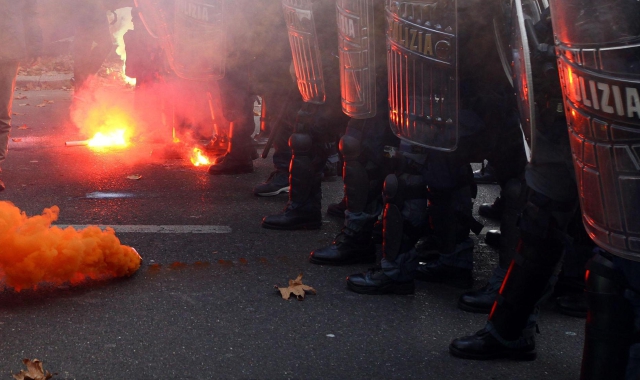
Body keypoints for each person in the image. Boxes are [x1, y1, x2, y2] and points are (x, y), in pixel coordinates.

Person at [260, 0, 349, 229]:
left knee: (312, 128)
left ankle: (308, 210)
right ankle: (357, 210)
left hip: (337, 54)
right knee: (320, 130)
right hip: (335, 52)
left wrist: (312, 56)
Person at [0, 0, 42, 192]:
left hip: (8, 49)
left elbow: (30, 12)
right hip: (9, 46)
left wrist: (34, 45)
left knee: (1, 114)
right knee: (1, 115)